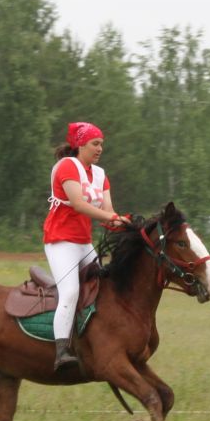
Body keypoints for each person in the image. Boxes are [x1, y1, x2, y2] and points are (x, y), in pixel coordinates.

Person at [43, 121, 122, 369]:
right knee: (71, 292)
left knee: (106, 286)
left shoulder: (100, 174)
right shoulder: (67, 166)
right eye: (94, 144)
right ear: (80, 145)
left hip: (82, 243)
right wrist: (112, 218)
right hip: (60, 241)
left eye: (101, 145)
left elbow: (107, 211)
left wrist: (125, 224)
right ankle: (61, 352)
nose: (100, 149)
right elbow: (78, 203)